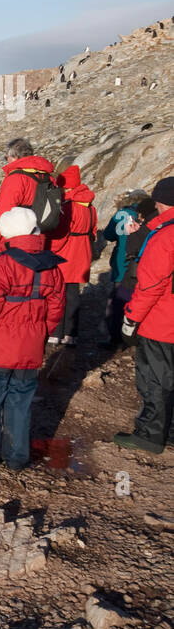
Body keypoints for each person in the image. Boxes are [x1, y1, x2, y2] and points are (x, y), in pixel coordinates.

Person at [0, 207, 65, 470]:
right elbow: (56, 311)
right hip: (30, 348)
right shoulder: (52, 267)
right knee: (21, 404)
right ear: (34, 231)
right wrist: (41, 335)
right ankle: (17, 458)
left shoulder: (1, 266)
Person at [115, 177, 174, 453]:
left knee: (155, 379)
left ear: (161, 202)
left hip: (162, 321)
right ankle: (169, 431)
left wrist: (131, 319)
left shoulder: (164, 236)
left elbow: (150, 285)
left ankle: (150, 435)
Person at [47, 165, 97, 345]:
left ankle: (56, 332)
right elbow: (93, 230)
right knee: (74, 293)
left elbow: (60, 233)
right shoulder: (89, 205)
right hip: (82, 251)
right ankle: (71, 333)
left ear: (65, 186)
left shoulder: (68, 206)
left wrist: (49, 249)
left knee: (59, 293)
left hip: (65, 251)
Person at [0, 138, 56, 255]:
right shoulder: (46, 175)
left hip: (19, 238)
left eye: (6, 157)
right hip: (41, 232)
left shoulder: (16, 178)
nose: (6, 160)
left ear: (14, 157)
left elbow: (3, 210)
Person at [104, 190, 149, 346]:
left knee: (117, 299)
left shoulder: (122, 214)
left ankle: (114, 337)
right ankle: (135, 336)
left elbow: (108, 235)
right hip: (142, 266)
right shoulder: (150, 215)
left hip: (122, 262)